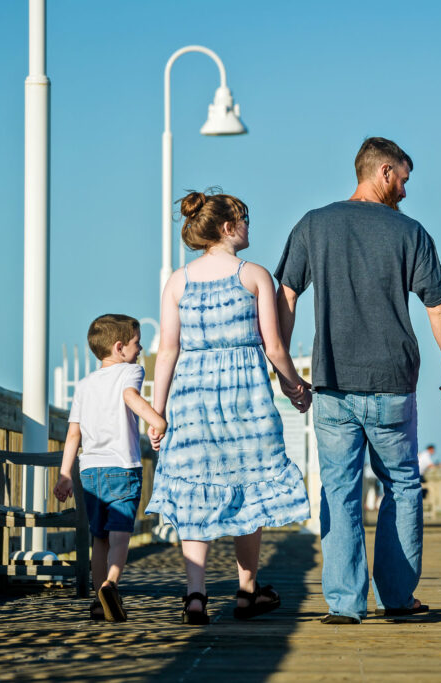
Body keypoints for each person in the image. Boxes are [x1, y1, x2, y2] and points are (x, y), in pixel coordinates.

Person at [275, 137, 441, 624]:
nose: (405, 188)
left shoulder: (313, 224)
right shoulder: (411, 232)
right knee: (402, 486)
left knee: (339, 488)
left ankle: (344, 603)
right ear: (383, 171)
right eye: (402, 177)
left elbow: (287, 298)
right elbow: (437, 306)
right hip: (392, 381)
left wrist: (287, 371)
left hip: (333, 383)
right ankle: (398, 598)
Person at [145, 189, 311, 625]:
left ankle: (195, 597)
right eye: (245, 219)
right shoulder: (254, 275)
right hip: (246, 397)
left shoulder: (178, 281)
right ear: (227, 227)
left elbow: (167, 352)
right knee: (249, 489)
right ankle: (245, 592)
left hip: (192, 395)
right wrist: (296, 387)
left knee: (195, 490)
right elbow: (274, 347)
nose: (249, 226)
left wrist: (157, 413)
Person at [54, 314, 167, 622]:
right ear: (120, 348)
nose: (140, 348)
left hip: (89, 472)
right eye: (136, 343)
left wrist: (65, 474)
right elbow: (130, 397)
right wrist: (156, 421)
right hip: (122, 467)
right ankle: (110, 584)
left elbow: (73, 433)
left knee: (99, 537)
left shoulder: (84, 385)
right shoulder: (131, 371)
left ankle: (97, 600)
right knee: (120, 534)